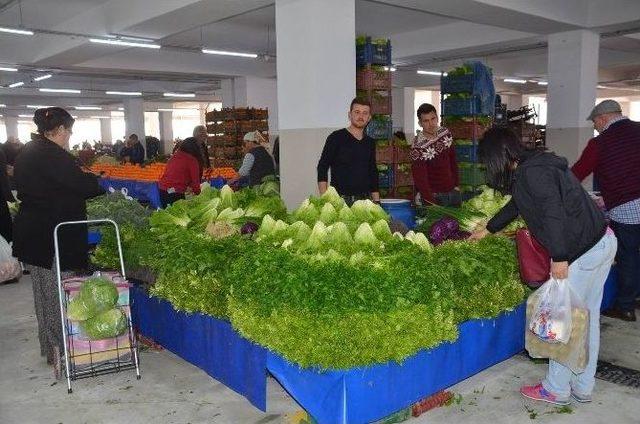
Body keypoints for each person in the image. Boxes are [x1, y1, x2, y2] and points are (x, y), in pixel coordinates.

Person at [470, 127, 616, 406]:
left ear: (499, 156)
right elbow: (518, 205)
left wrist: (559, 257)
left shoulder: (532, 173)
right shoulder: (536, 166)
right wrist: (488, 229)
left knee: (563, 320)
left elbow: (552, 212)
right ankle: (583, 385)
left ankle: (557, 388)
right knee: (586, 320)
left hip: (581, 253)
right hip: (601, 242)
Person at [13, 107, 104, 368]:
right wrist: (94, 183)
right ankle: (60, 350)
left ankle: (49, 346)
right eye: (69, 131)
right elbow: (81, 185)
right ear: (61, 130)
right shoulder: (52, 155)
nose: (70, 137)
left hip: (33, 232)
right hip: (48, 235)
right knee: (54, 293)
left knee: (42, 292)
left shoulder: (29, 151)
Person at [572, 100, 640, 322]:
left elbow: (577, 174)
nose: (595, 127)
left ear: (602, 119)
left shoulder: (600, 143)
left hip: (627, 206)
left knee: (627, 255)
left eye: (594, 123)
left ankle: (626, 307)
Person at [317, 97, 379, 205]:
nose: (361, 116)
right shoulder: (336, 137)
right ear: (349, 115)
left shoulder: (370, 142)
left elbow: (373, 171)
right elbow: (322, 167)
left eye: (365, 113)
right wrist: (324, 200)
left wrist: (377, 201)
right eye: (357, 112)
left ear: (369, 118)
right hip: (339, 200)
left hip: (365, 201)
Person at [410, 103, 459, 206]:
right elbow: (420, 179)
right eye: (426, 121)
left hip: (452, 192)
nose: (431, 124)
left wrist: (456, 185)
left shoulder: (445, 133)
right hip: (434, 197)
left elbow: (453, 161)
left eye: (433, 119)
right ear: (420, 123)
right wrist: (430, 202)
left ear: (437, 118)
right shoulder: (417, 146)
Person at [158, 137, 203, 208]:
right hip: (175, 193)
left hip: (162, 190)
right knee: (178, 215)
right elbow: (196, 183)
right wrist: (201, 196)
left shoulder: (175, 155)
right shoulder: (192, 160)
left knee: (168, 214)